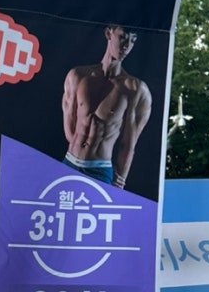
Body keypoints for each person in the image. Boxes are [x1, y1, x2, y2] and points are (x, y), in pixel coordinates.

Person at [62, 23, 152, 189]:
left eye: (133, 40)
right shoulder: (77, 76)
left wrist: (120, 180)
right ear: (109, 33)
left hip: (99, 170)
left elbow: (128, 145)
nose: (127, 46)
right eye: (123, 37)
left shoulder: (134, 89)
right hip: (69, 163)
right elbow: (70, 126)